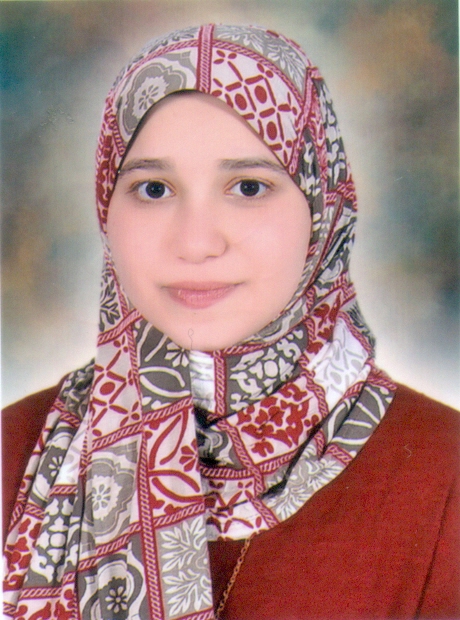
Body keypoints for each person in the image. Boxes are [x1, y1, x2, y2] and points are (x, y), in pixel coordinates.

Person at [3, 24, 459, 620]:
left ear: (322, 207)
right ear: (106, 208)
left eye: (248, 187)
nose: (196, 242)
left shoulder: (443, 474)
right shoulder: (14, 451)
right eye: (154, 188)